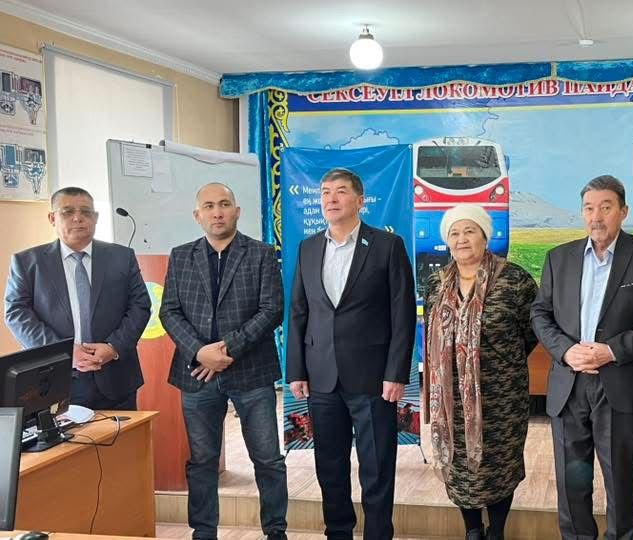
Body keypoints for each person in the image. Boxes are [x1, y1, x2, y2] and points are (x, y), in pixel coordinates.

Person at [531, 175, 633, 540]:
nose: (597, 216)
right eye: (589, 208)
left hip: (619, 383)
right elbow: (540, 314)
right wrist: (566, 350)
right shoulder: (559, 258)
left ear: (623, 211)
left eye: (606, 207)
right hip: (570, 382)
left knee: (619, 477)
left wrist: (611, 351)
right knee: (571, 478)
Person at [286, 168, 416, 540]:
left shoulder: (387, 246)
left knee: (377, 467)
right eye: (325, 191)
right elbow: (299, 312)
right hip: (322, 377)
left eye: (340, 191)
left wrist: (396, 373)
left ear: (360, 201)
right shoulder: (308, 248)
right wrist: (296, 370)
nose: (331, 198)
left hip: (373, 378)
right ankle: (338, 532)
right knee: (330, 468)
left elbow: (402, 313)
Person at [159, 182, 288, 540]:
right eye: (209, 206)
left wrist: (226, 350)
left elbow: (271, 309)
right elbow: (169, 311)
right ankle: (203, 533)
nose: (217, 212)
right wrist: (200, 352)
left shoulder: (261, 253)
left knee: (268, 459)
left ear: (237, 211)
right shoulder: (181, 256)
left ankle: (275, 531)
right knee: (202, 461)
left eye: (224, 204)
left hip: (251, 371)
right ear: (197, 215)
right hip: (197, 374)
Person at [423, 204, 538, 540]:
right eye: (454, 233)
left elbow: (532, 333)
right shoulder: (436, 284)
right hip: (451, 400)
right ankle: (472, 530)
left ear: (485, 236)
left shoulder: (514, 280)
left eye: (469, 231)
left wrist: (497, 361)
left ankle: (497, 531)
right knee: (460, 466)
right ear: (447, 241)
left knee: (499, 464)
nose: (462, 239)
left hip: (501, 397)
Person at [4, 186, 150, 410]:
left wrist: (114, 347)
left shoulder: (122, 257)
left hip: (116, 378)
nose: (78, 218)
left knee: (124, 434)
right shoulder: (28, 262)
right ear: (52, 218)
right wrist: (62, 353)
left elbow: (140, 305)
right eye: (67, 211)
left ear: (96, 218)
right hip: (54, 381)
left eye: (86, 212)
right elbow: (16, 313)